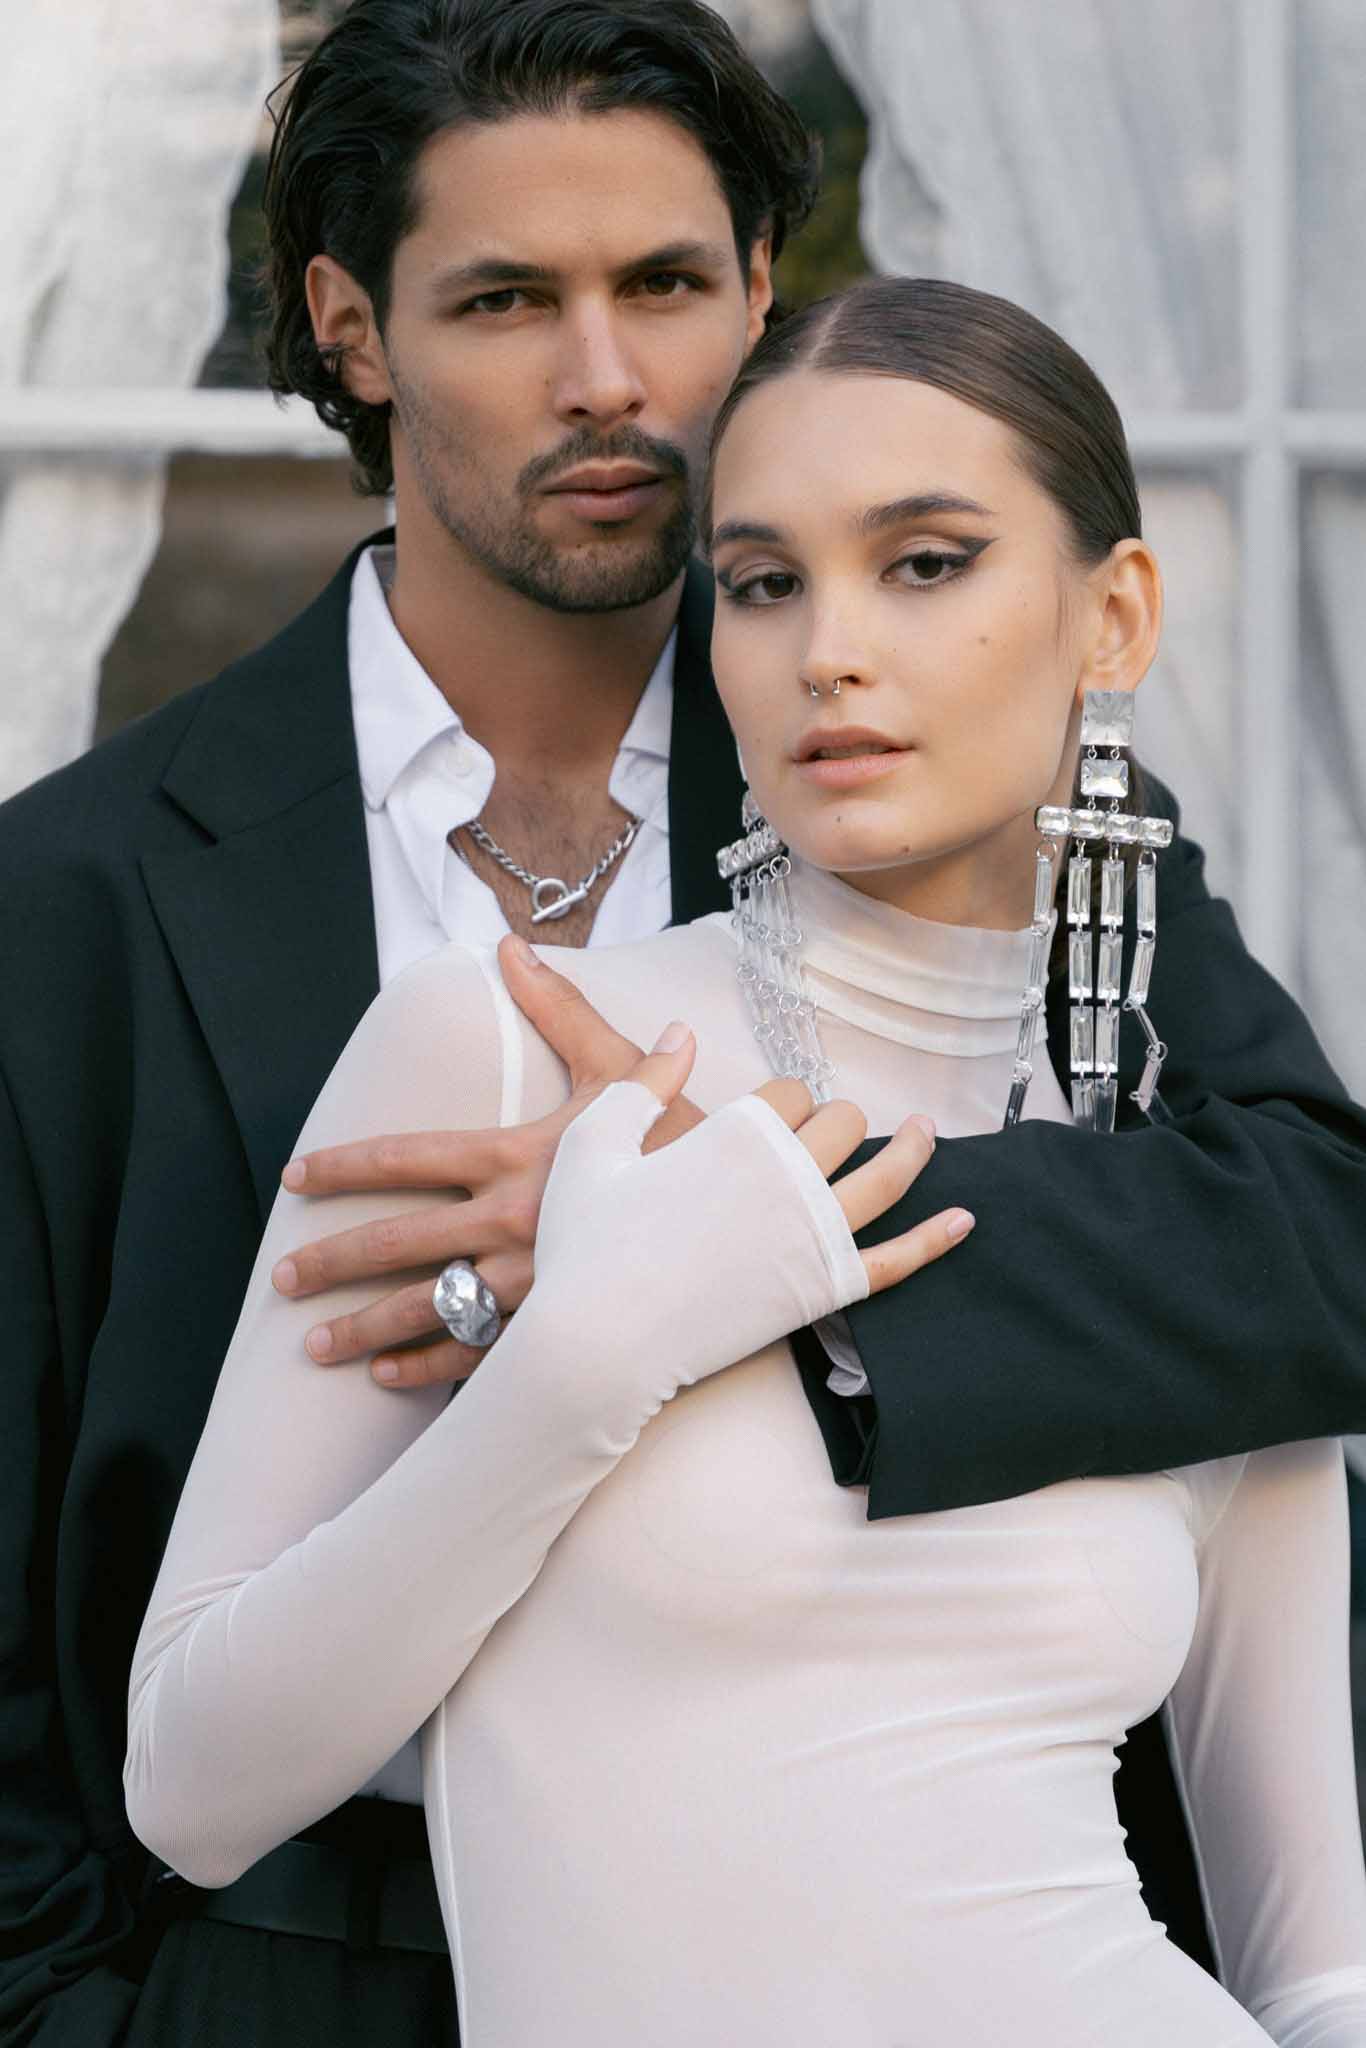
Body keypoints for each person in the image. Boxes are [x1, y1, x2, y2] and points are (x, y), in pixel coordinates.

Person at [0, 4, 1361, 2044]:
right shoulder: (64, 903)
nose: (604, 377)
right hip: (262, 1978)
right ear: (350, 329)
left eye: (659, 285)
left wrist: (752, 1247)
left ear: (751, 294)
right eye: (500, 300)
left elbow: (1299, 1236)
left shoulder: (976, 811)